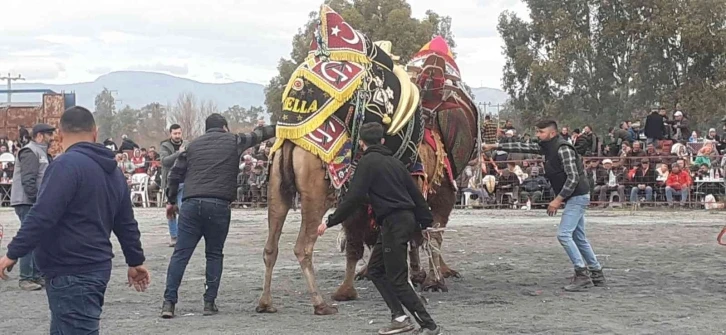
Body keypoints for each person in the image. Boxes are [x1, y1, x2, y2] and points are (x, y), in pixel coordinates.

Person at [0, 106, 150, 334]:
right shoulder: (113, 171)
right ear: (95, 133)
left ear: (60, 134)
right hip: (96, 267)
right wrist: (135, 261)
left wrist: (12, 254)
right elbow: (126, 223)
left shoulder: (65, 166)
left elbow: (42, 216)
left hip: (70, 270)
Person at [317, 123, 441, 335]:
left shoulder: (366, 163)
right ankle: (399, 317)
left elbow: (353, 198)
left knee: (397, 279)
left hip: (393, 224)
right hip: (399, 222)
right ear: (382, 141)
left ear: (362, 143)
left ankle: (429, 325)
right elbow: (416, 194)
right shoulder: (396, 163)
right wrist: (426, 221)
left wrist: (330, 221)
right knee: (375, 270)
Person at [160, 113, 275, 318]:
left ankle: (168, 303)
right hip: (218, 204)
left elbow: (174, 174)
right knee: (214, 254)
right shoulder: (234, 140)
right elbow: (259, 134)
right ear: (224, 127)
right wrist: (284, 125)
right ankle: (209, 303)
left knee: (180, 254)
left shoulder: (192, 145)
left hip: (191, 203)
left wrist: (170, 201)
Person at [483, 119, 605, 291]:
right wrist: (494, 146)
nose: (537, 135)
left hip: (577, 195)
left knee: (563, 235)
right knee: (578, 237)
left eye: (541, 132)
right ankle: (596, 272)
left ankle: (582, 273)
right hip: (575, 196)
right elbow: (521, 147)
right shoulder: (547, 146)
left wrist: (557, 199)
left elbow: (573, 177)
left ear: (552, 133)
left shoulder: (563, 149)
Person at [9, 123, 56, 291]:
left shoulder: (42, 153)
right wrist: (38, 201)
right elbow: (29, 181)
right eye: (49, 134)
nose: (52, 138)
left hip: (33, 201)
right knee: (29, 237)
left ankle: (35, 275)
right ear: (40, 136)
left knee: (38, 237)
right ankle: (26, 277)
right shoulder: (30, 151)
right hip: (27, 201)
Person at [160, 124, 185, 247]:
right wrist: (179, 153)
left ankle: (183, 235)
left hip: (184, 181)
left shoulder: (187, 144)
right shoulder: (164, 146)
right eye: (175, 133)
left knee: (183, 208)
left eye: (179, 133)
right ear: (170, 133)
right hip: (170, 182)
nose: (177, 136)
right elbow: (165, 161)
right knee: (171, 210)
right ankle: (174, 236)